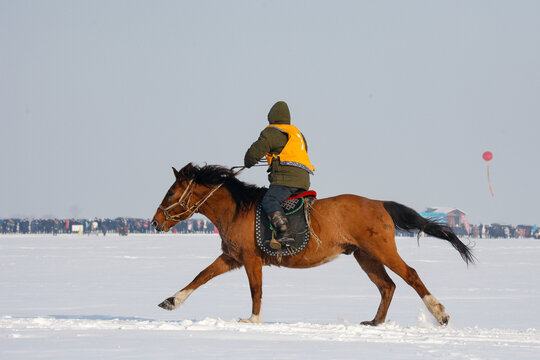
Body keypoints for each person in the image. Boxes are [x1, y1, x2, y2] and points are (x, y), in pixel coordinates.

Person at [244, 101, 315, 249]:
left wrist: (248, 163)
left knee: (269, 200)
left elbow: (251, 156)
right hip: (303, 181)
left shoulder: (271, 132)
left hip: (285, 181)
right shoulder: (298, 135)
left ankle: (285, 233)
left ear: (272, 117)